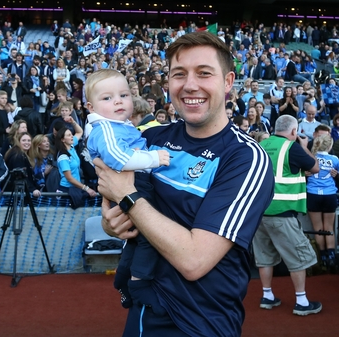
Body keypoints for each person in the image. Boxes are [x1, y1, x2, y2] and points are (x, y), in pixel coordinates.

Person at [95, 31, 274, 336]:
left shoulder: (245, 159)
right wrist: (111, 222)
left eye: (204, 73)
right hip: (143, 311)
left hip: (199, 322)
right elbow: (112, 197)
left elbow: (194, 260)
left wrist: (126, 196)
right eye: (179, 74)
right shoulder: (150, 138)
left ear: (228, 82)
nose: (190, 85)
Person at [84, 68, 170, 308]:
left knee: (136, 240)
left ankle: (124, 281)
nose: (118, 101)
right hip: (132, 183)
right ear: (91, 107)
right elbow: (118, 158)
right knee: (151, 238)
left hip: (133, 183)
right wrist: (154, 158)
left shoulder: (120, 126)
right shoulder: (106, 128)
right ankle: (139, 286)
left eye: (123, 95)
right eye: (107, 98)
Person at [254, 115, 321, 316]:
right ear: (294, 131)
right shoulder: (292, 147)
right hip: (282, 212)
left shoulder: (261, 145)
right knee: (298, 258)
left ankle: (267, 296)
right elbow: (315, 167)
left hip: (258, 213)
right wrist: (304, 145)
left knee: (264, 256)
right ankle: (301, 301)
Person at [307, 133, 339, 271]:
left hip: (313, 193)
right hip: (329, 194)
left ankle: (323, 257)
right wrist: (336, 174)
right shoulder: (334, 159)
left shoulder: (311, 157)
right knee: (329, 228)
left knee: (318, 228)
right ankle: (331, 256)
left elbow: (305, 172)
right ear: (330, 145)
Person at [3, 132, 41, 197]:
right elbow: (20, 176)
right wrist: (33, 189)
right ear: (18, 142)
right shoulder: (17, 156)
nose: (27, 142)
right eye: (24, 140)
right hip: (16, 194)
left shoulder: (19, 153)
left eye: (29, 140)